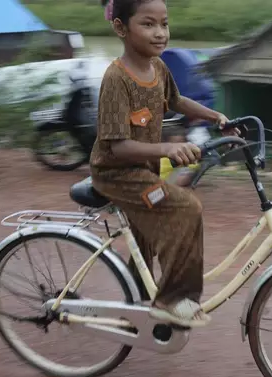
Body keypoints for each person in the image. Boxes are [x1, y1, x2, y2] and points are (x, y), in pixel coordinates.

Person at [91, 0, 237, 327]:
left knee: (146, 235)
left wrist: (217, 117)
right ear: (120, 28)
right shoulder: (117, 78)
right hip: (116, 173)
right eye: (148, 24)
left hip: (143, 172)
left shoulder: (158, 67)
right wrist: (167, 151)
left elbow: (176, 101)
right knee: (184, 208)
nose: (160, 33)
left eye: (164, 24)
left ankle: (135, 303)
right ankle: (173, 300)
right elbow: (117, 146)